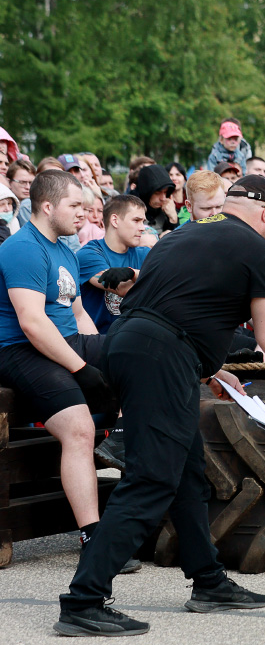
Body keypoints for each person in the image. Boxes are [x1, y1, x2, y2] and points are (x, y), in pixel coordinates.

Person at [56, 175, 265, 635]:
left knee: (187, 473)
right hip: (162, 356)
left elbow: (177, 307)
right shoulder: (264, 252)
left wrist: (207, 368)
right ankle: (83, 600)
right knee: (152, 478)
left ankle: (208, 581)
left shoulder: (181, 233)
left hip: (130, 344)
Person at [0, 170, 131, 581]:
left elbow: (77, 317)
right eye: (75, 205)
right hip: (19, 350)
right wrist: (84, 371)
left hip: (65, 340)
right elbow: (33, 323)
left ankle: (122, 433)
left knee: (138, 350)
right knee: (77, 429)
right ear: (47, 206)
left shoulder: (65, 250)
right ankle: (94, 536)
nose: (84, 212)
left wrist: (105, 359)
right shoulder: (22, 248)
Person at [76, 195, 150, 334]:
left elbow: (167, 282)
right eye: (136, 220)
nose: (142, 228)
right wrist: (144, 279)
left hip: (136, 339)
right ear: (115, 220)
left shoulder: (144, 254)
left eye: (143, 221)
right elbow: (123, 289)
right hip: (98, 341)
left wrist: (133, 273)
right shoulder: (88, 254)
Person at [129, 164, 177, 237]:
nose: (163, 198)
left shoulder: (167, 210)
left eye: (165, 192)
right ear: (146, 191)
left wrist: (173, 219)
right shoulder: (128, 208)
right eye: (157, 193)